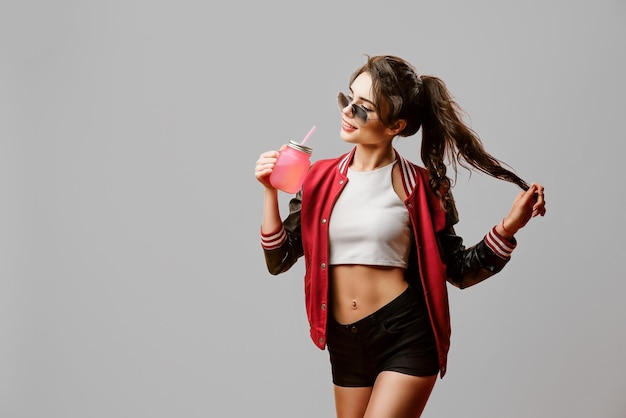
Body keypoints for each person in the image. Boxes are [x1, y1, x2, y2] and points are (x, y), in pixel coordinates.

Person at [254, 54, 546, 418]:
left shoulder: (424, 187)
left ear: (396, 125)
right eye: (347, 99)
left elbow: (459, 270)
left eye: (363, 109)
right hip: (345, 339)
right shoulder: (317, 179)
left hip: (405, 333)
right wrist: (269, 191)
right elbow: (279, 260)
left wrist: (510, 225)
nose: (348, 112)